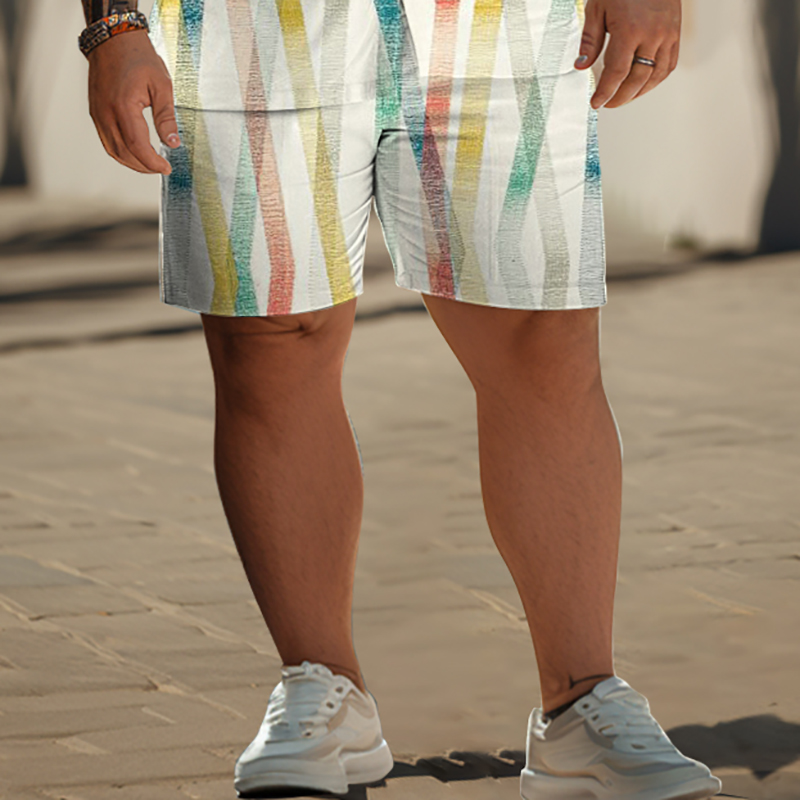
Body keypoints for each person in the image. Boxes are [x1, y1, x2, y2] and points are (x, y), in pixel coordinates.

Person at [80, 0, 723, 797]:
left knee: (541, 338)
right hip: (249, 26)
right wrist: (113, 27)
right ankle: (322, 689)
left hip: (504, 21)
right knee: (270, 337)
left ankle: (582, 704)